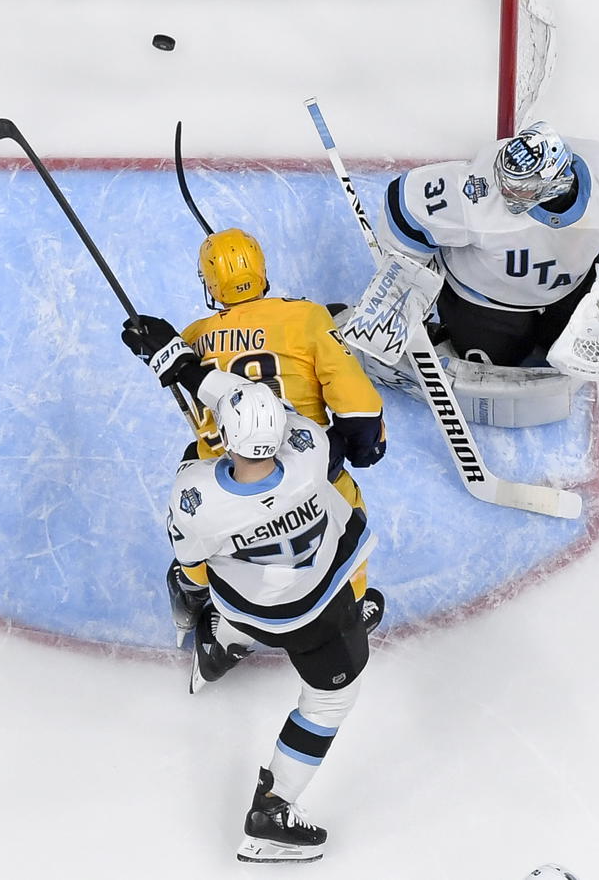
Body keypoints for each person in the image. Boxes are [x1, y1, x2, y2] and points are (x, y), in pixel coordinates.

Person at [117, 336, 376, 864]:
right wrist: (190, 369)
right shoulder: (309, 448)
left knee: (234, 601)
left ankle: (218, 645)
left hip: (247, 606)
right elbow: (266, 406)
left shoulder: (195, 496)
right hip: (317, 605)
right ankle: (272, 810)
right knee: (330, 699)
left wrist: (177, 362)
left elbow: (191, 562)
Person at [152, 228, 387, 638]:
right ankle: (351, 606)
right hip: (305, 474)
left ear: (210, 285)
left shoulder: (192, 339)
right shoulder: (308, 317)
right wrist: (364, 446)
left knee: (205, 533)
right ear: (263, 272)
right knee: (348, 518)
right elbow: (359, 404)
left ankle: (198, 603)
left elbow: (196, 405)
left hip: (230, 488)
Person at [375, 122, 599, 376]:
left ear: (555, 185)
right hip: (483, 304)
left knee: (565, 359)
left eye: (518, 189)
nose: (504, 193)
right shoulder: (476, 191)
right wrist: (405, 286)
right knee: (492, 363)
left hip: (570, 293)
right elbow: (405, 207)